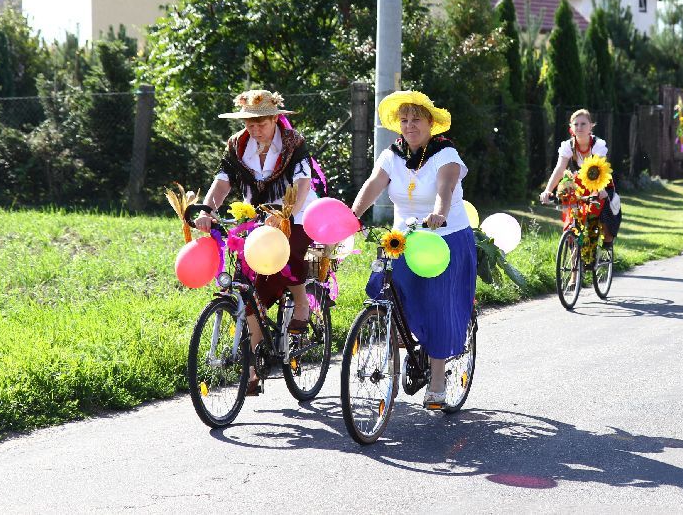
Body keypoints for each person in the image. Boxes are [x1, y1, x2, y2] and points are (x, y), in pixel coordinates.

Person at [350, 90, 477, 411]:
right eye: (404, 120)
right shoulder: (392, 154)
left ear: (431, 123)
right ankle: (392, 371)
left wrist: (440, 214)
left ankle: (436, 381)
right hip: (403, 238)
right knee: (384, 292)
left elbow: (445, 188)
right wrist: (353, 215)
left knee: (437, 304)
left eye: (416, 119)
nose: (409, 125)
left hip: (443, 239)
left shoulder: (446, 154)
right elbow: (373, 185)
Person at [194, 89, 319, 395]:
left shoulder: (293, 143)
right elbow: (223, 181)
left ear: (276, 119)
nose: (254, 129)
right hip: (257, 216)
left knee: (289, 256)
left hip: (297, 212)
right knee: (242, 283)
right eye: (249, 123)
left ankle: (301, 302)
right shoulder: (237, 145)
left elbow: (304, 182)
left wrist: (288, 212)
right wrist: (207, 210)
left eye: (260, 123)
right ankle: (252, 366)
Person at [539, 109, 621, 243]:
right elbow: (559, 169)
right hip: (578, 185)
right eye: (576, 124)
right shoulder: (568, 146)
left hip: (599, 182)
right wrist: (548, 190)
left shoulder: (598, 145)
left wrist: (600, 190)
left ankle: (607, 244)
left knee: (604, 211)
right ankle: (573, 256)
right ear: (571, 127)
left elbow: (600, 168)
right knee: (572, 220)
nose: (579, 127)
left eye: (583, 124)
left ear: (591, 126)